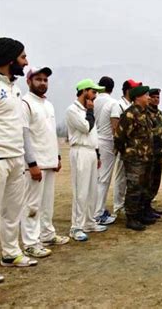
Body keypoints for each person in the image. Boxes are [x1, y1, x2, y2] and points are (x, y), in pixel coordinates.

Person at [20, 66, 69, 259]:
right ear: (29, 81)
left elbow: (49, 134)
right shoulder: (25, 103)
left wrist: (56, 157)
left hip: (49, 161)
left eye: (45, 80)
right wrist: (31, 163)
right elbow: (24, 135)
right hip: (35, 164)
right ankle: (31, 243)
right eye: (38, 79)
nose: (42, 83)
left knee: (47, 204)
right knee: (32, 205)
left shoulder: (48, 105)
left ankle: (47, 234)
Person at [0, 37, 38, 273]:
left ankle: (11, 253)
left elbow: (20, 127)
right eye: (23, 57)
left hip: (16, 157)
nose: (26, 62)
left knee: (13, 210)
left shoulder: (15, 88)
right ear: (9, 59)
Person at [65, 79, 107, 241]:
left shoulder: (88, 110)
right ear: (84, 91)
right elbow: (85, 127)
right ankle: (76, 227)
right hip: (80, 151)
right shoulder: (73, 110)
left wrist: (97, 155)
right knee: (81, 190)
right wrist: (90, 111)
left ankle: (89, 222)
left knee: (92, 190)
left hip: (90, 151)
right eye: (93, 92)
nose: (95, 95)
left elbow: (93, 135)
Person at [114, 85, 154, 231]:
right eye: (146, 95)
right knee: (134, 188)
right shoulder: (130, 114)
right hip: (134, 159)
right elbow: (119, 137)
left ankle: (140, 214)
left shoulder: (145, 113)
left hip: (146, 157)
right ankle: (131, 218)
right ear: (138, 97)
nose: (149, 97)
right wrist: (126, 152)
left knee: (144, 187)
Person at [112, 79, 142, 216]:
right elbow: (116, 128)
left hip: (131, 149)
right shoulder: (118, 105)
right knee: (120, 177)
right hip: (123, 148)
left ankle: (124, 203)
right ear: (128, 90)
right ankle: (118, 205)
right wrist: (120, 147)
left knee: (126, 178)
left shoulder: (131, 105)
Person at [93, 76, 118, 225]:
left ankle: (94, 210)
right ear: (112, 88)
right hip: (107, 142)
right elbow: (115, 126)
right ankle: (98, 213)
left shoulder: (93, 101)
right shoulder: (113, 103)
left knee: (95, 178)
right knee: (104, 179)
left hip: (93, 141)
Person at [147, 88, 162, 217]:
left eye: (158, 97)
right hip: (149, 152)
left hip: (159, 151)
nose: (156, 99)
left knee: (155, 180)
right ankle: (145, 207)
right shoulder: (146, 113)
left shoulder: (159, 113)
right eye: (153, 97)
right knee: (148, 181)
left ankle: (149, 205)